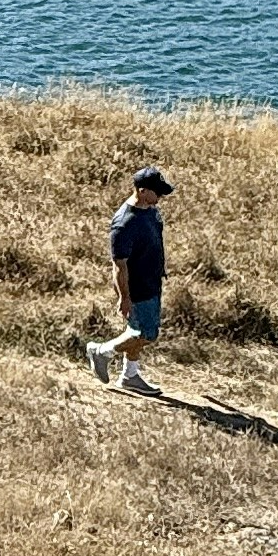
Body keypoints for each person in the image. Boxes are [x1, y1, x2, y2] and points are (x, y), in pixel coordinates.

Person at [88, 165, 172, 389]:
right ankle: (101, 351)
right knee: (146, 333)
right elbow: (119, 266)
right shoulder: (124, 224)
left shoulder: (151, 211)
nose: (161, 196)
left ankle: (129, 375)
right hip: (137, 287)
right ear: (142, 190)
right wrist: (124, 297)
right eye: (157, 192)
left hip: (152, 281)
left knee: (136, 331)